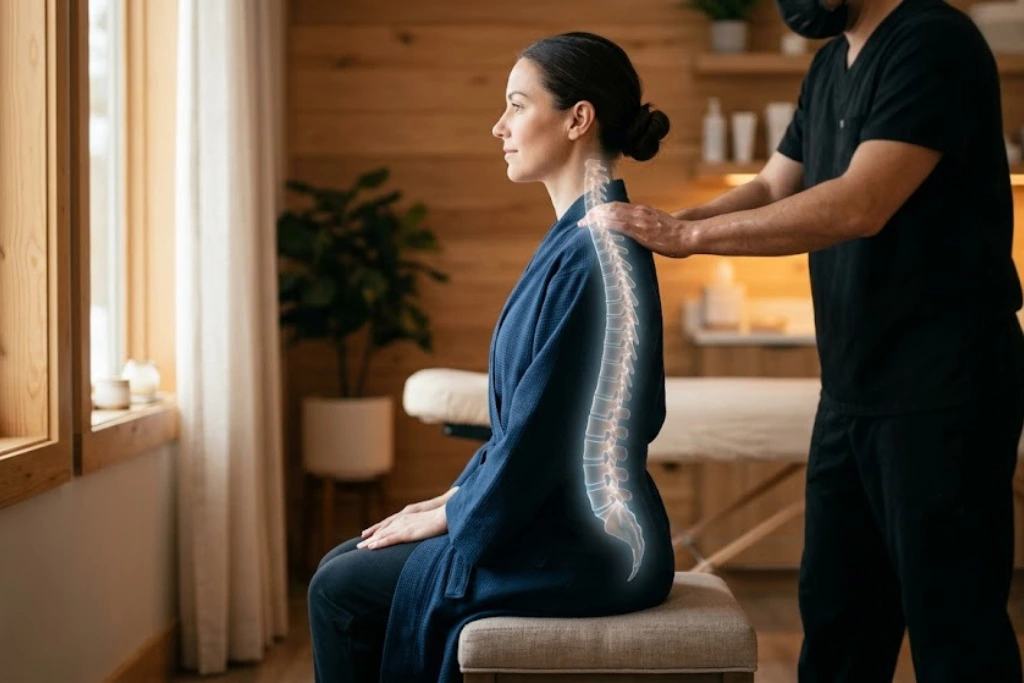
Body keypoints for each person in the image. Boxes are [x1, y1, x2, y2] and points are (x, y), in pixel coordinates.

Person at [580, 0, 1024, 681]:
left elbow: (859, 203)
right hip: (850, 391)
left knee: (954, 625)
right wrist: (670, 224)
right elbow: (768, 185)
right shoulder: (826, 68)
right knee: (839, 621)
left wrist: (689, 236)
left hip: (944, 389)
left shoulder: (934, 41)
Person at [307, 32, 678, 683]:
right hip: (567, 522)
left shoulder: (597, 251)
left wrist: (451, 512)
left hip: (593, 545)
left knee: (339, 588)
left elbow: (543, 438)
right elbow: (533, 426)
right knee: (350, 555)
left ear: (577, 118)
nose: (498, 125)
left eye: (516, 104)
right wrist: (448, 500)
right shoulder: (581, 236)